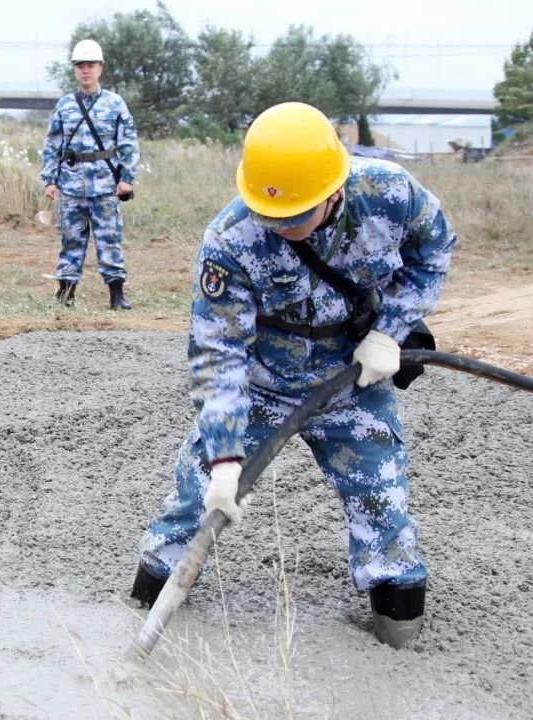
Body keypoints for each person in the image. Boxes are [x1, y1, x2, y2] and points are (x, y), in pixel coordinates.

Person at [131, 102, 456, 649]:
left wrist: (390, 331)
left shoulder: (390, 195)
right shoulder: (229, 240)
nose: (280, 227)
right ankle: (149, 596)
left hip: (353, 377)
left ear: (334, 190)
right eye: (269, 216)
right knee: (195, 497)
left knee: (382, 499)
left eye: (294, 217)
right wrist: (226, 459)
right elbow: (218, 353)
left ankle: (398, 627)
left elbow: (434, 251)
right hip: (261, 383)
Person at [40, 39, 139, 311]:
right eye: (80, 65)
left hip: (106, 186)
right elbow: (52, 144)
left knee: (109, 240)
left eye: (91, 65)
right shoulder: (65, 105)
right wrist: (49, 179)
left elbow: (128, 143)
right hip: (71, 186)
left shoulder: (115, 104)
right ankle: (66, 293)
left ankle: (116, 295)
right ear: (75, 70)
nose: (85, 70)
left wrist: (127, 178)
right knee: (71, 241)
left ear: (100, 68)